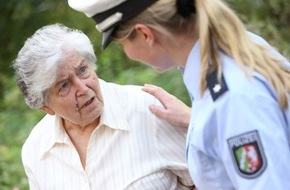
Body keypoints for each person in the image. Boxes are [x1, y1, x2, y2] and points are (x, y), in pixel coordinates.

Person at [68, 0, 290, 189]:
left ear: (145, 34)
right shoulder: (234, 52)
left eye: (122, 43)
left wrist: (213, 118)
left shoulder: (230, 100)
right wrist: (198, 119)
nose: (126, 52)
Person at [13, 23, 195, 190]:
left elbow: (210, 179)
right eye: (64, 86)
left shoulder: (149, 109)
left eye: (82, 70)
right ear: (46, 108)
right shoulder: (36, 150)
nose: (83, 88)